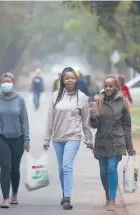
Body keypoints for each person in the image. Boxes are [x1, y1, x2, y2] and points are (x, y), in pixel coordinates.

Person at [43, 67, 93, 210]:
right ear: (63, 81)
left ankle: (67, 197)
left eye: (72, 77)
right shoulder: (55, 96)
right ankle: (65, 193)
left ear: (76, 79)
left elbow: (86, 121)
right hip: (57, 137)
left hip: (74, 136)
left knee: (67, 165)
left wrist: (89, 140)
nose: (70, 80)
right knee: (60, 168)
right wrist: (46, 139)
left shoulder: (81, 97)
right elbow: (49, 119)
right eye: (67, 78)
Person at [0, 72, 30, 209]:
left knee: (15, 168)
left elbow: (24, 121)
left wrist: (26, 140)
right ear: (0, 83)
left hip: (18, 138)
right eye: (4, 81)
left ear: (13, 83)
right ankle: (5, 198)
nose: (6, 84)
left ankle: (14, 194)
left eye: (9, 81)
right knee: (6, 166)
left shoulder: (20, 100)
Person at [89, 74, 136, 211]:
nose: (108, 88)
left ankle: (113, 200)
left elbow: (127, 126)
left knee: (111, 169)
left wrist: (130, 147)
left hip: (117, 140)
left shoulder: (123, 102)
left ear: (116, 87)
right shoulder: (98, 101)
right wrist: (93, 117)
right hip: (102, 141)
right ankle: (108, 196)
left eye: (111, 86)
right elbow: (95, 125)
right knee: (103, 172)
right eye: (106, 86)